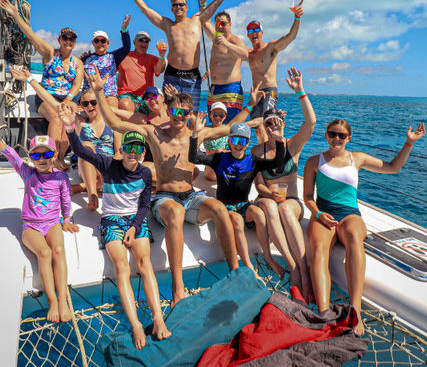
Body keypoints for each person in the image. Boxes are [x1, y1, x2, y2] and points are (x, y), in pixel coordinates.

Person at [87, 66, 264, 306]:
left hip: (191, 196)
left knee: (221, 209)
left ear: (189, 113)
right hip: (165, 199)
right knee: (177, 212)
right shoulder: (154, 133)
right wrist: (98, 93)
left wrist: (251, 108)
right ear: (168, 111)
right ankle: (177, 287)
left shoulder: (196, 134)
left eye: (183, 111)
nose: (178, 115)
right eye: (174, 110)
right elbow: (115, 124)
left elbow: (229, 128)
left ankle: (234, 272)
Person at [58, 104, 172, 349]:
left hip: (134, 220)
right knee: (122, 267)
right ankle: (136, 325)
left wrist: (133, 227)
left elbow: (143, 206)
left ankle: (158, 318)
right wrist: (69, 127)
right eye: (129, 148)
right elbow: (80, 150)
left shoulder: (143, 174)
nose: (133, 152)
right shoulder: (109, 165)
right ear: (122, 149)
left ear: (143, 152)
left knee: (144, 264)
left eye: (138, 148)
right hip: (111, 220)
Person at [303, 119, 426, 335]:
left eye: (342, 135)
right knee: (319, 250)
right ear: (326, 135)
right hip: (324, 214)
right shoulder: (314, 161)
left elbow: (393, 167)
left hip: (349, 214)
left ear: (349, 138)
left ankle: (355, 311)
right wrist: (319, 214)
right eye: (333, 134)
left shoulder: (357, 158)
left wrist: (409, 143)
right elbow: (307, 197)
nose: (337, 138)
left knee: (353, 237)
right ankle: (323, 314)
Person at [0, 119, 79, 322]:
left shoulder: (61, 177)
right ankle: (52, 300)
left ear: (54, 155)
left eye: (46, 154)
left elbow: (66, 200)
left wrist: (66, 219)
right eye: (36, 155)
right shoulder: (28, 174)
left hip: (52, 223)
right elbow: (12, 156)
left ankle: (63, 300)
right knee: (44, 253)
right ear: (31, 158)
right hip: (31, 226)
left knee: (59, 251)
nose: (41, 159)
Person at [118, 0, 241, 111]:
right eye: (175, 5)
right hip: (172, 76)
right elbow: (145, 9)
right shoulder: (167, 24)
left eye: (181, 4)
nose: (179, 7)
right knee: (170, 114)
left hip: (192, 78)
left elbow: (217, 2)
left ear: (187, 6)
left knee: (191, 116)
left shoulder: (198, 19)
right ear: (171, 9)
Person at [0, 0, 85, 170]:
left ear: (75, 42)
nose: (68, 41)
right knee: (56, 117)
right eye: (65, 38)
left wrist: (69, 98)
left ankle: (61, 156)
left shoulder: (78, 62)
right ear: (59, 40)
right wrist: (15, 14)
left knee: (70, 120)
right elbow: (30, 35)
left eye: (71, 39)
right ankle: (53, 157)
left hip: (67, 97)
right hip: (46, 96)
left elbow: (77, 84)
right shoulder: (50, 53)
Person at [10, 67, 118, 211]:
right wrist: (30, 80)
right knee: (87, 145)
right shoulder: (80, 122)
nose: (90, 106)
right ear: (82, 107)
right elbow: (53, 103)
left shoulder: (111, 122)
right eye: (85, 104)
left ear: (99, 102)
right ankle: (92, 194)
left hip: (108, 167)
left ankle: (83, 187)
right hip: (87, 166)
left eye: (93, 102)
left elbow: (119, 152)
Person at [189, 117, 285, 276]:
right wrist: (196, 134)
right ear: (229, 141)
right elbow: (194, 158)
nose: (239, 144)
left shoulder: (252, 161)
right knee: (238, 221)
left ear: (248, 143)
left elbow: (277, 162)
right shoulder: (220, 159)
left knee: (259, 215)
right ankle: (248, 265)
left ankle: (268, 256)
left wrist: (280, 140)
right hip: (225, 207)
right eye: (235, 140)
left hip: (243, 204)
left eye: (243, 141)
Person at [252, 67, 316, 301]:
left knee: (286, 210)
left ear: (282, 123)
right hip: (268, 200)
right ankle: (293, 266)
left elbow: (311, 123)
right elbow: (259, 185)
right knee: (271, 206)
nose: (273, 127)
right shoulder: (257, 150)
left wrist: (300, 91)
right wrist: (267, 192)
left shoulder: (292, 146)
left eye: (276, 123)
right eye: (268, 124)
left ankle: (303, 272)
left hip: (291, 202)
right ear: (264, 127)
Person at [246, 1, 304, 141]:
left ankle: (275, 152)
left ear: (262, 32)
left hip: (269, 91)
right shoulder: (249, 54)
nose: (253, 32)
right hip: (256, 95)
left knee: (265, 123)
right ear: (248, 35)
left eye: (256, 29)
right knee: (259, 131)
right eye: (250, 30)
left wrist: (297, 18)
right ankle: (263, 155)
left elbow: (291, 36)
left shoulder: (271, 47)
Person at [196, 0, 248, 121]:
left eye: (223, 24)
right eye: (217, 24)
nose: (220, 26)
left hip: (230, 89)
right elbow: (205, 21)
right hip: (214, 89)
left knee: (229, 126)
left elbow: (245, 55)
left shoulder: (235, 40)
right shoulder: (215, 38)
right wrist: (203, 4)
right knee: (214, 125)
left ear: (229, 24)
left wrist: (226, 43)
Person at [81, 15, 132, 109]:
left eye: (103, 41)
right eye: (97, 41)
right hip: (90, 95)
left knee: (112, 106)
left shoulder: (113, 57)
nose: (100, 43)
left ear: (107, 43)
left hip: (109, 95)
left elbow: (126, 48)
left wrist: (124, 30)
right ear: (93, 43)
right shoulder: (86, 59)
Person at [117, 31, 167, 114]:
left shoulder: (153, 59)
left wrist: (162, 55)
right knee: (126, 105)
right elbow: (107, 63)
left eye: (146, 41)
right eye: (141, 40)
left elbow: (159, 70)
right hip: (127, 95)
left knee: (163, 109)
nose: (144, 43)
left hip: (146, 97)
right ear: (134, 42)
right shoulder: (124, 56)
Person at [201, 102, 230, 181]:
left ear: (225, 116)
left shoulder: (228, 130)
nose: (218, 117)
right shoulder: (205, 129)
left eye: (221, 115)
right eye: (215, 114)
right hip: (211, 168)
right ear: (210, 115)